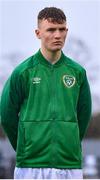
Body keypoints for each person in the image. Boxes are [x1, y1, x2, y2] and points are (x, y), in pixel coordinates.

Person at [0, 7, 92, 179]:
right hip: (30, 166)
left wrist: (69, 142)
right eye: (50, 29)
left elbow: (84, 116)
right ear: (38, 33)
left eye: (62, 29)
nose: (57, 35)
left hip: (69, 164)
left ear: (67, 31)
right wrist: (24, 147)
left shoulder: (78, 72)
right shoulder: (22, 72)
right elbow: (6, 116)